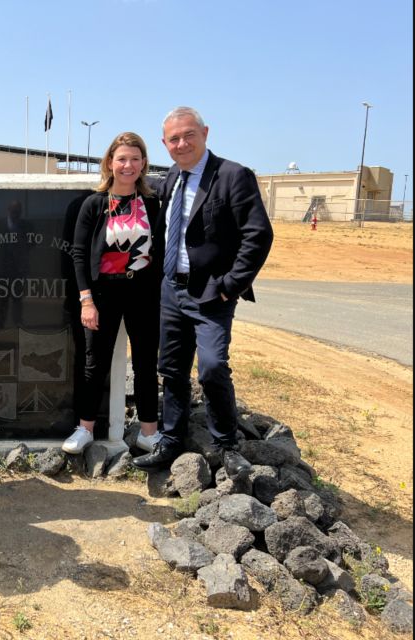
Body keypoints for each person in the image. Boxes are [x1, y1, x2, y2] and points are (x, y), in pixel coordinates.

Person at [132, 106, 274, 475]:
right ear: (165, 144)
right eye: (173, 139)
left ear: (205, 133)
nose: (181, 144)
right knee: (172, 369)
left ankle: (226, 445)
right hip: (170, 290)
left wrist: (230, 285)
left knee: (211, 367)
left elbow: (258, 235)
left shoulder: (233, 176)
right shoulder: (171, 178)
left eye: (188, 135)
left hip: (211, 294)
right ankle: (171, 441)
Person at [63, 132, 161, 454]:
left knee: (145, 363)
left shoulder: (151, 204)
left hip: (142, 292)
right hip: (103, 293)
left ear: (143, 163)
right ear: (109, 162)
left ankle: (149, 432)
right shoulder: (94, 204)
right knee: (95, 362)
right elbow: (79, 254)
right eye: (121, 159)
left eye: (134, 159)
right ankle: (85, 428)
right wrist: (86, 300)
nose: (128, 165)